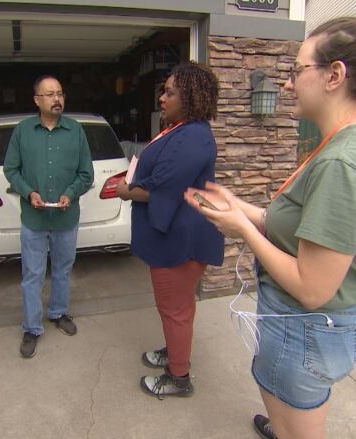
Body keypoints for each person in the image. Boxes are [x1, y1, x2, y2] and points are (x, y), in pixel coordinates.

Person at [185, 1, 356, 437]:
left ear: (334, 76)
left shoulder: (344, 165)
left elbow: (313, 288)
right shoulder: (346, 142)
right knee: (284, 403)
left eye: (296, 70)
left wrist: (241, 230)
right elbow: (301, 228)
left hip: (306, 328)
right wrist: (242, 209)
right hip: (297, 328)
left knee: (300, 423)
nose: (288, 83)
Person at [116, 62, 224, 398]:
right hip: (175, 233)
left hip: (181, 239)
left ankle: (179, 377)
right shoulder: (179, 129)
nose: (162, 98)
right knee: (178, 307)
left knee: (174, 308)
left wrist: (124, 190)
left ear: (190, 98)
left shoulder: (192, 136)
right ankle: (175, 351)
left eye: (170, 93)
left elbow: (162, 190)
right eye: (163, 91)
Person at [3, 75, 94, 359]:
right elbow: (11, 169)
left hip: (66, 217)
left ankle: (58, 313)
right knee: (32, 273)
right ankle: (31, 327)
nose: (57, 99)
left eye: (60, 94)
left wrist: (71, 193)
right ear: (37, 100)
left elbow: (86, 173)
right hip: (34, 218)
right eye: (50, 94)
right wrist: (29, 193)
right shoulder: (23, 131)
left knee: (63, 269)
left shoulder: (75, 130)